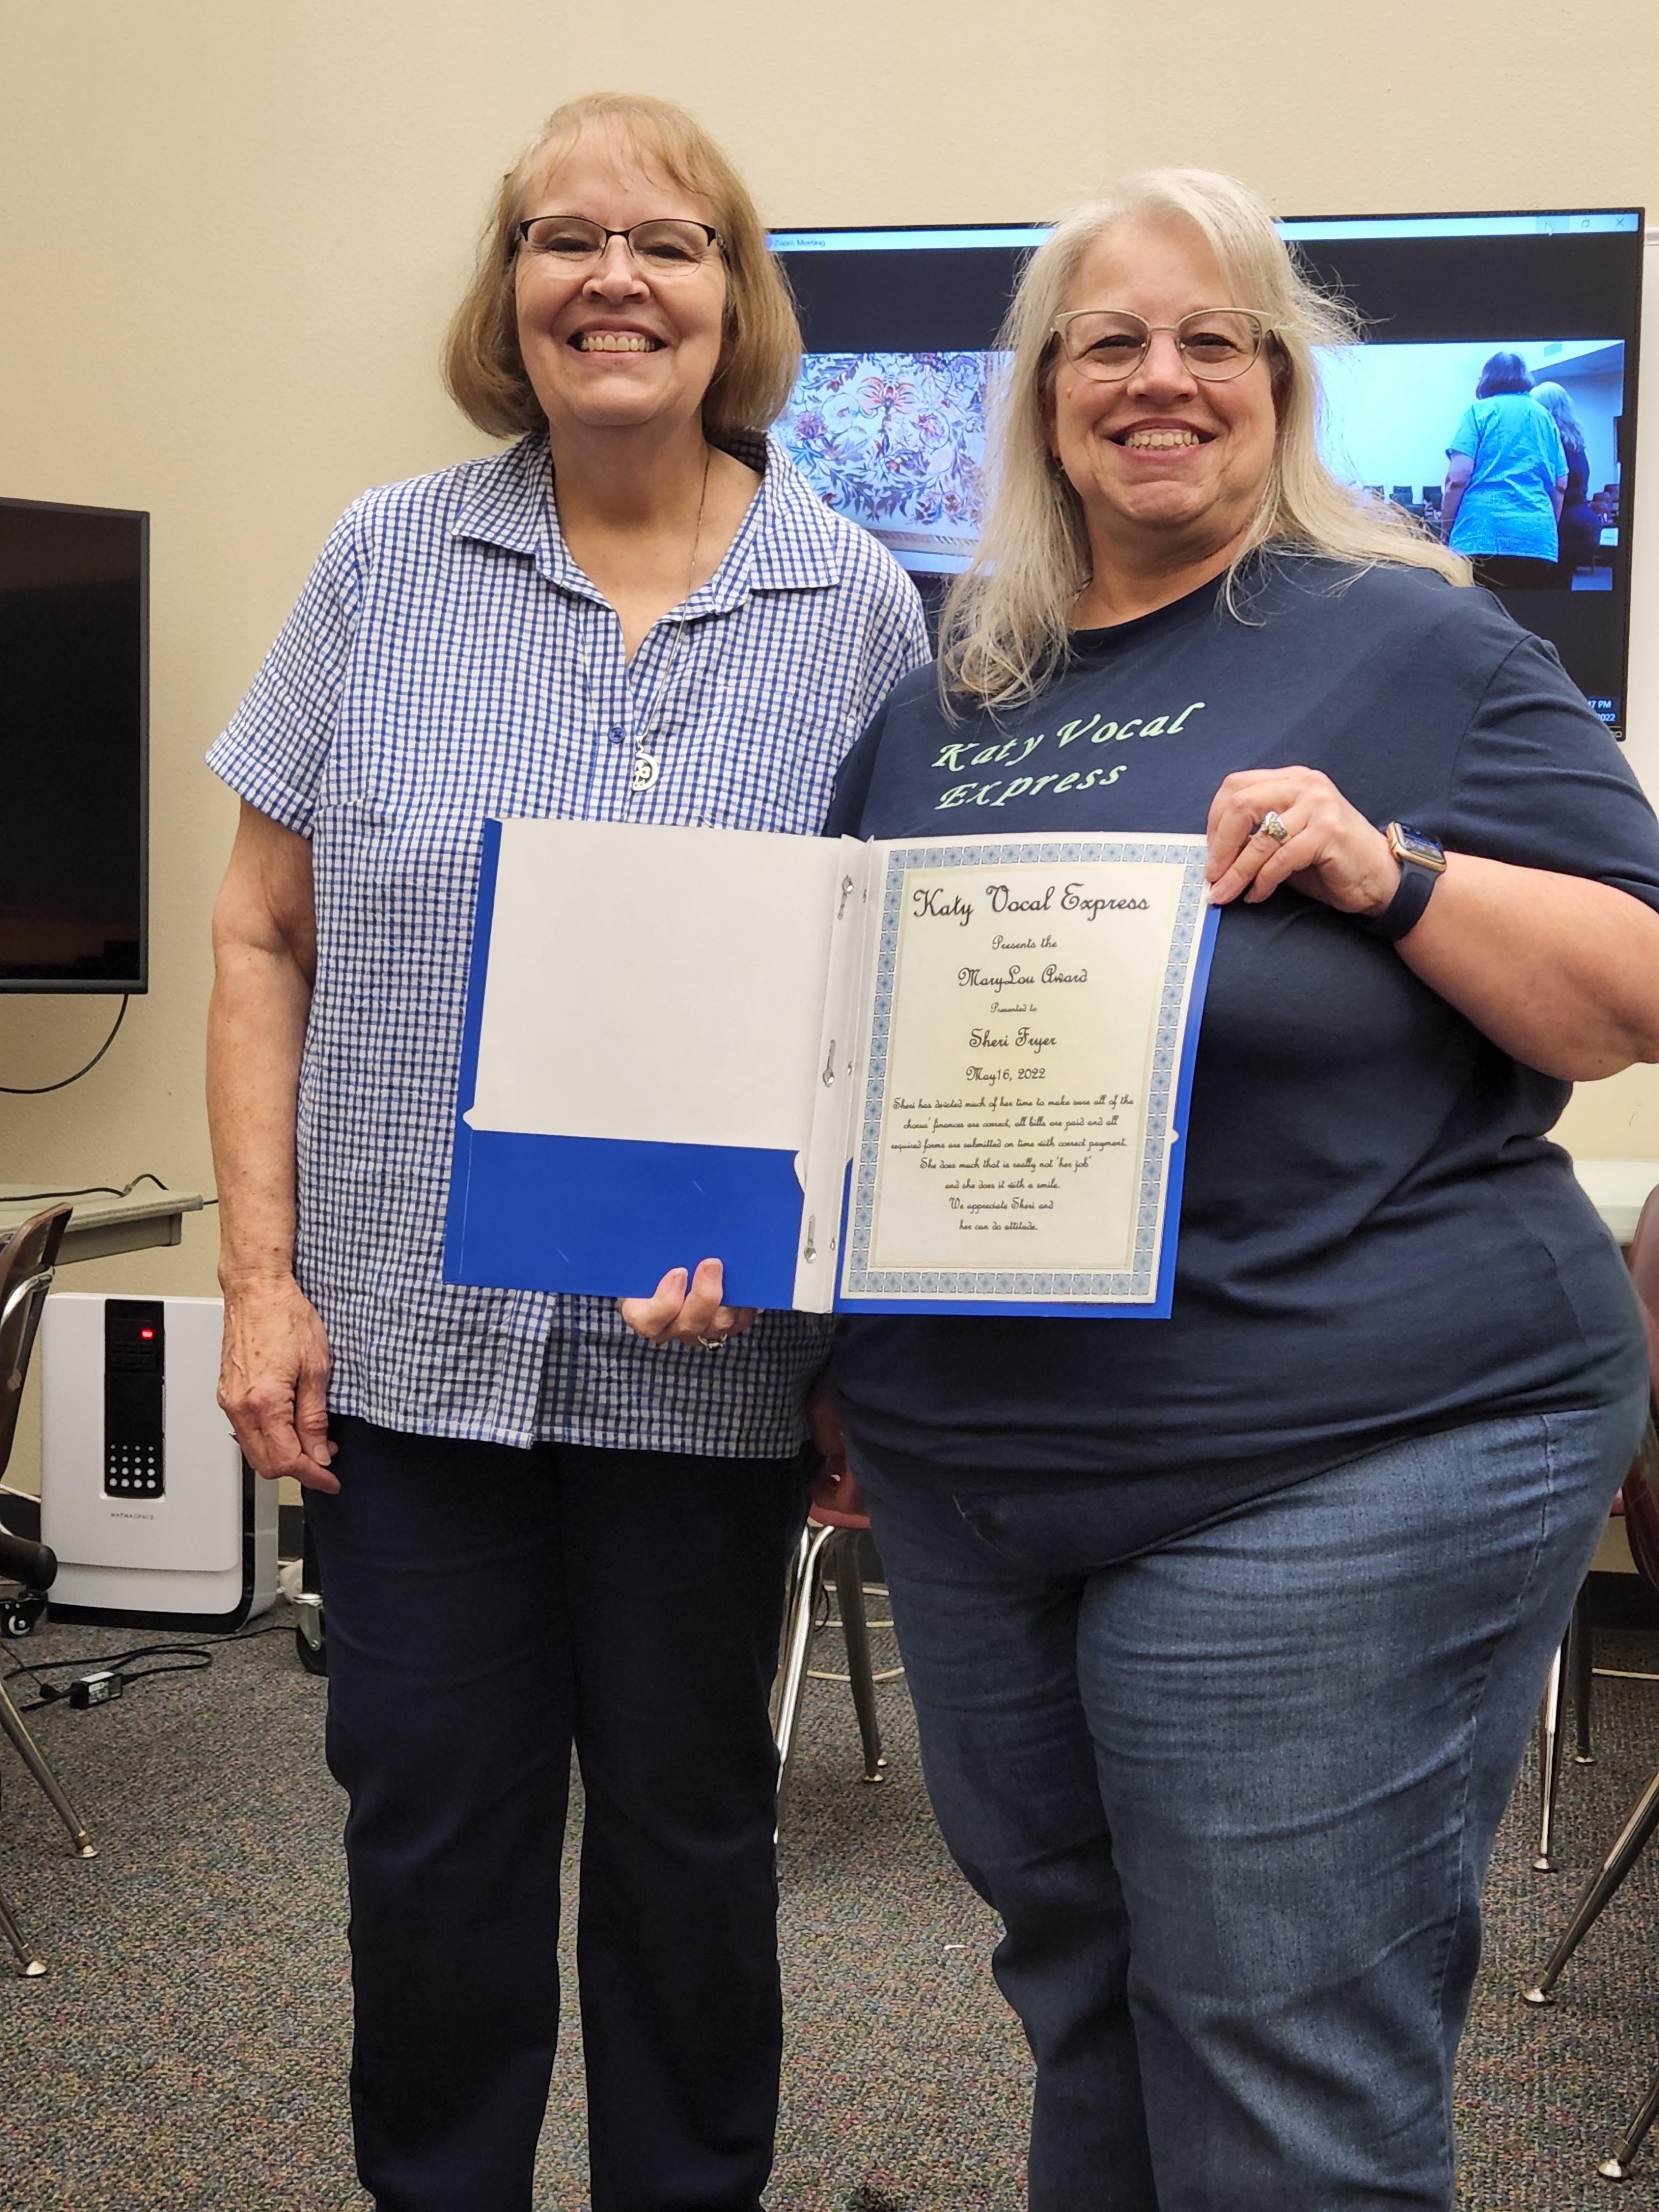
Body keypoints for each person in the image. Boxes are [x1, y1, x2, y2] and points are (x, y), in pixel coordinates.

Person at [820, 170, 1659, 2211]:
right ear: (1040, 395)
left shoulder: (1412, 642)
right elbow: (846, 1057)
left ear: (1278, 384)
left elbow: (1633, 986)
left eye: (1212, 339)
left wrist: (1392, 872)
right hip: (980, 1472)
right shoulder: (942, 699)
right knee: (1083, 1986)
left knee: (1273, 2040)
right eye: (1107, 341)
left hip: (1336, 1441)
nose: (1160, 377)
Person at [205, 91, 925, 2212]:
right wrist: (256, 1280)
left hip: (710, 1365)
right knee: (430, 1843)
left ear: (732, 294)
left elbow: (876, 996)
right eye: (562, 236)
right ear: (507, 287)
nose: (613, 278)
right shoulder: (383, 562)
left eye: (667, 241)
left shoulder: (857, 603)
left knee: (693, 1848)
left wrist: (844, 1326)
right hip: (409, 1355)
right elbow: (256, 931)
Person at [1441, 348, 1567, 585]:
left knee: (1480, 607)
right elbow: (1561, 484)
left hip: (1480, 534)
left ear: (1487, 378)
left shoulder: (1478, 413)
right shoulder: (1544, 417)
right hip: (1537, 537)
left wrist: (1445, 533)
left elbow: (1457, 479)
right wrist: (1546, 530)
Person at [1531, 377, 1606, 586]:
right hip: (1583, 523)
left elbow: (1558, 487)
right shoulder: (1575, 442)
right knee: (1562, 587)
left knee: (1544, 589)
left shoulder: (1551, 443)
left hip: (1563, 524)